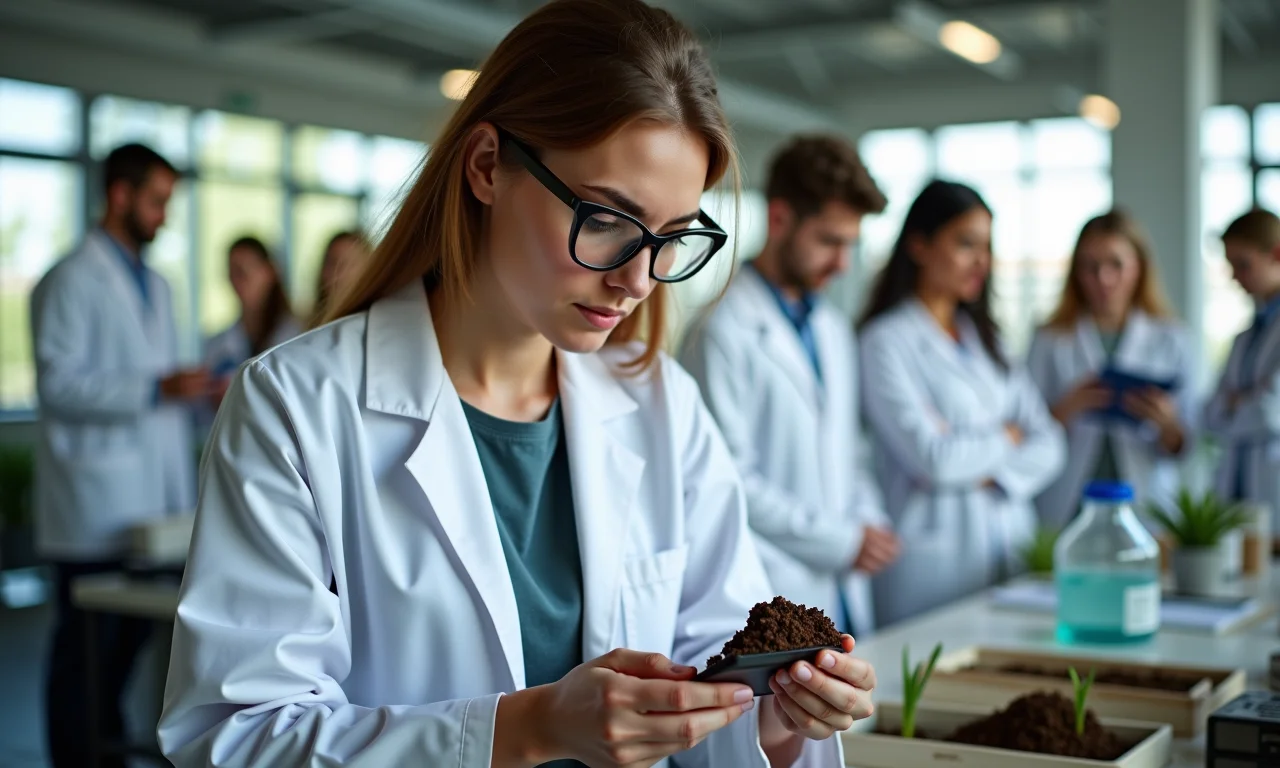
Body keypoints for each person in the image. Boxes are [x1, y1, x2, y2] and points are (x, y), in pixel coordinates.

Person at [158, 2, 875, 766]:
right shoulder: (296, 405)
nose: (637, 280)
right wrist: (526, 729)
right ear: (486, 166)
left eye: (670, 239)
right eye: (605, 219)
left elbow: (710, 669)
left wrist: (784, 716)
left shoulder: (659, 403)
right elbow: (236, 735)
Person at [30, 143, 208, 768]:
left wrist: (190, 388)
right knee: (83, 655)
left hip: (152, 502)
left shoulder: (157, 284)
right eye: (157, 202)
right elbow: (57, 385)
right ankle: (75, 758)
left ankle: (101, 752)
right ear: (120, 195)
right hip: (91, 502)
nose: (164, 216)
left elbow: (155, 380)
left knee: (127, 647)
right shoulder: (68, 280)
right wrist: (156, 388)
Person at [680, 135, 899, 638]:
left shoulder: (831, 328)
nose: (843, 263)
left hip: (841, 583)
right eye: (829, 241)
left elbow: (850, 450)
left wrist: (865, 522)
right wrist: (840, 540)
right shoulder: (721, 330)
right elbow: (728, 477)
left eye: (850, 244)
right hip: (770, 584)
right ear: (779, 220)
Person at [857, 179, 1066, 627]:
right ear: (919, 245)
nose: (981, 262)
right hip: (933, 566)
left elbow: (1050, 441)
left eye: (986, 247)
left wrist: (988, 467)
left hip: (1011, 547)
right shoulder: (885, 342)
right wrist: (1008, 435)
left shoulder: (989, 341)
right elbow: (934, 459)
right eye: (965, 244)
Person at [1026, 210, 1194, 530]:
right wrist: (1066, 409)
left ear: (1139, 267)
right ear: (1075, 271)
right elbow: (1025, 426)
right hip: (1068, 499)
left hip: (1144, 499)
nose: (1103, 278)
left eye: (1116, 264)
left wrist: (1166, 424)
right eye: (1090, 267)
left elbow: (1188, 441)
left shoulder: (1171, 338)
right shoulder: (1049, 339)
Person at [1205, 208, 1280, 532]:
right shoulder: (1245, 337)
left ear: (1276, 255)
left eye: (1243, 264)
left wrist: (1237, 402)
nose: (1235, 276)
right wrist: (1244, 399)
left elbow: (1271, 411)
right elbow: (1210, 413)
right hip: (1237, 490)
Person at [204, 236, 301, 407]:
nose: (239, 279)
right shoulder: (217, 345)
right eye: (233, 272)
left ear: (270, 272)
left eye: (246, 270)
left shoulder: (297, 336)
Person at [309, 229, 371, 327]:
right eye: (332, 263)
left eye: (349, 264)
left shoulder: (377, 324)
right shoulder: (305, 326)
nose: (339, 273)